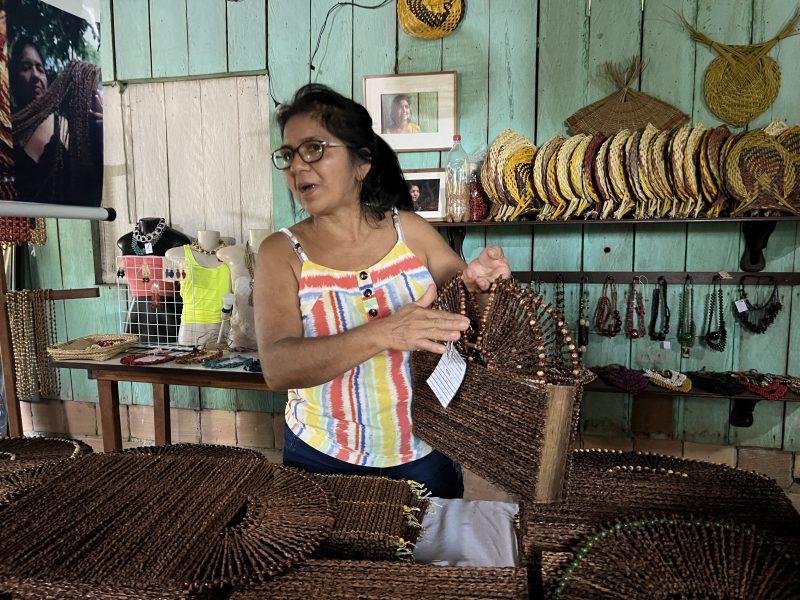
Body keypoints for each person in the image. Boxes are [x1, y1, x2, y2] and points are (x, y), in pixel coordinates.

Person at [254, 83, 510, 498]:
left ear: (361, 163)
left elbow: (469, 317)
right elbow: (278, 368)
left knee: (431, 560)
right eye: (288, 154)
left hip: (427, 451)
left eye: (315, 149)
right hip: (323, 456)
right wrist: (387, 332)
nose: (298, 166)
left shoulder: (410, 232)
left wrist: (483, 285)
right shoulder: (280, 253)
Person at [9, 38, 103, 206]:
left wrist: (104, 135)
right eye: (26, 67)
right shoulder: (7, 131)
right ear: (12, 78)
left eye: (40, 68)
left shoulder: (70, 128)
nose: (36, 76)